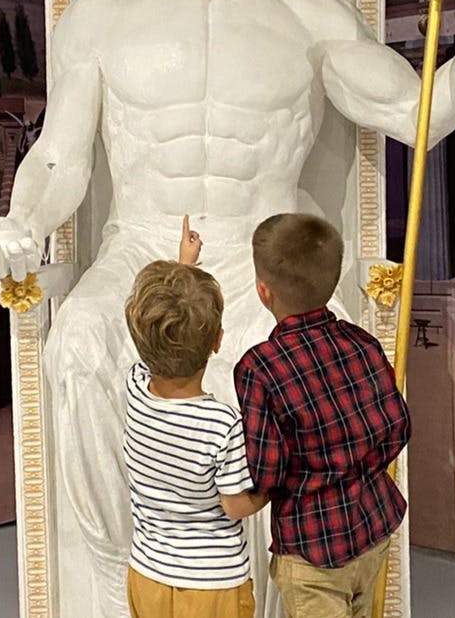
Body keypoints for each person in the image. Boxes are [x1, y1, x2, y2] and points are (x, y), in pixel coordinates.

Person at [0, 0, 455, 618]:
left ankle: (274, 593)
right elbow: (59, 158)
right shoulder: (100, 19)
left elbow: (421, 116)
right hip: (145, 248)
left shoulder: (307, 19)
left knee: (277, 369)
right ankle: (121, 584)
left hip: (267, 259)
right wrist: (21, 218)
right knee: (76, 346)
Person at [234, 214, 411, 618]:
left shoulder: (260, 369)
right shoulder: (362, 343)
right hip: (373, 524)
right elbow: (397, 427)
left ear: (264, 292)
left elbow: (267, 472)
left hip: (311, 548)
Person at [123, 217, 268, 618]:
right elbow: (236, 505)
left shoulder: (135, 388)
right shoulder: (222, 425)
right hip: (212, 587)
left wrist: (182, 268)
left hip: (147, 574)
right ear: (218, 341)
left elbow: (158, 329)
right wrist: (272, 484)